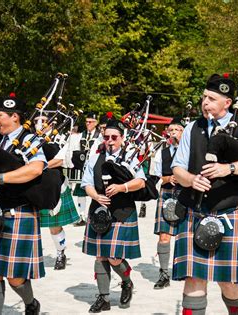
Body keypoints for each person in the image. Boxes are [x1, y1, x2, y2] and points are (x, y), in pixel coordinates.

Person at [172, 73, 238, 315]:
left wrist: (228, 168)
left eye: (212, 98)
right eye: (204, 97)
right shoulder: (192, 128)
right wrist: (191, 180)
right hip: (195, 211)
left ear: (227, 102)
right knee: (194, 279)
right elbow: (177, 167)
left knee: (231, 284)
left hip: (231, 213)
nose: (205, 102)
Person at [0, 96, 46, 314]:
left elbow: (35, 169)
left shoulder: (31, 140)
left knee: (15, 277)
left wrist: (0, 179)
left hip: (19, 211)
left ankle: (31, 303)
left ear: (14, 117)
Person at [81, 118, 146, 313]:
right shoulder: (95, 157)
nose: (110, 140)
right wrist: (96, 196)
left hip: (122, 211)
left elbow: (141, 181)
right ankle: (104, 298)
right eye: (106, 136)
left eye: (114, 137)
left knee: (114, 258)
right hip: (99, 210)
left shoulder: (130, 157)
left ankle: (126, 281)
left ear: (122, 138)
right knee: (100, 256)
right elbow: (86, 183)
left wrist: (122, 187)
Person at [34, 113, 80, 270]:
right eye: (36, 121)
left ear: (52, 124)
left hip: (54, 185)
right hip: (32, 186)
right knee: (29, 222)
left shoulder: (62, 138)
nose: (40, 124)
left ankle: (61, 254)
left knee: (54, 226)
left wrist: (39, 165)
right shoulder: (28, 139)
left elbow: (62, 160)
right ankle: (31, 253)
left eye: (44, 121)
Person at [151, 117, 184, 289]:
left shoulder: (191, 151)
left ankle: (187, 268)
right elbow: (155, 179)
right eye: (170, 130)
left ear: (183, 132)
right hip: (167, 194)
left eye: (176, 130)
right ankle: (164, 273)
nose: (172, 133)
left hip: (187, 194)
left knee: (188, 235)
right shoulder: (161, 153)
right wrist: (167, 178)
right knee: (164, 235)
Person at [72, 112, 101, 226]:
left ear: (96, 123)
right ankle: (81, 216)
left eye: (91, 122)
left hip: (95, 165)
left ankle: (97, 214)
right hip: (82, 165)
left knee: (97, 191)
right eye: (87, 122)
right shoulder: (81, 135)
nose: (88, 124)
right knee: (81, 192)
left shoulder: (99, 136)